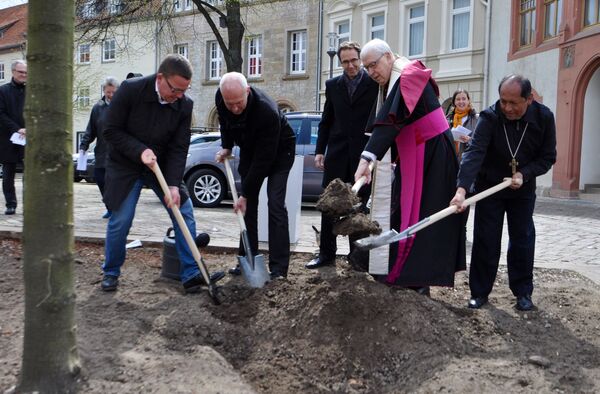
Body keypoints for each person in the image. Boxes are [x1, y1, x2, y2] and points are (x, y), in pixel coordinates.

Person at [100, 54, 223, 293]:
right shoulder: (131, 90)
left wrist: (175, 185)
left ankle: (190, 273)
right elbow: (110, 130)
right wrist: (140, 151)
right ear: (160, 78)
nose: (179, 96)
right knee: (121, 220)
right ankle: (111, 272)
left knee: (183, 210)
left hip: (163, 165)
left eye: (183, 91)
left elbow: (179, 147)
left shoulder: (184, 105)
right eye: (175, 90)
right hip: (126, 164)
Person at [354, 39, 466, 293]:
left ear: (389, 56)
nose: (371, 72)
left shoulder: (409, 74)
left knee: (422, 217)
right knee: (404, 213)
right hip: (416, 153)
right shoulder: (392, 80)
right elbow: (389, 123)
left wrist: (367, 158)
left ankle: (417, 278)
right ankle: (400, 271)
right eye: (367, 68)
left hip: (432, 155)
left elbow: (390, 124)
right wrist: (369, 158)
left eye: (373, 64)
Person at [450, 75, 557, 311]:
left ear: (528, 99)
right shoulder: (489, 117)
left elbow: (548, 157)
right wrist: (462, 190)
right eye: (503, 101)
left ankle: (523, 292)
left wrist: (525, 174)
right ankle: (479, 292)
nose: (507, 108)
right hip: (490, 187)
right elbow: (474, 153)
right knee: (486, 240)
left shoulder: (544, 118)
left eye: (513, 103)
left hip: (523, 189)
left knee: (522, 239)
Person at [215, 72, 295, 280]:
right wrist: (226, 146)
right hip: (250, 150)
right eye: (229, 103)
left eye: (238, 103)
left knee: (275, 204)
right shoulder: (223, 98)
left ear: (247, 91)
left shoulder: (265, 111)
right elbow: (225, 122)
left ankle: (278, 268)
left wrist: (245, 194)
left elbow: (263, 161)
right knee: (247, 208)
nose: (234, 108)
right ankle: (246, 259)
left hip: (279, 151)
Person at [305, 41, 378, 269]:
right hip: (336, 155)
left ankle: (356, 258)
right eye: (345, 62)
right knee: (330, 206)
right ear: (340, 63)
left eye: (354, 60)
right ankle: (326, 254)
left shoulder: (374, 84)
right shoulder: (333, 85)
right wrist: (320, 151)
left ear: (360, 59)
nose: (350, 65)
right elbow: (326, 121)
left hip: (362, 157)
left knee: (358, 206)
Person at [79, 76, 120, 219]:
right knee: (100, 179)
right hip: (102, 152)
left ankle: (116, 209)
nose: (111, 95)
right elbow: (91, 129)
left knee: (114, 183)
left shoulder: (122, 107)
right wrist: (83, 145)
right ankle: (110, 207)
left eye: (114, 92)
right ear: (104, 91)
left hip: (118, 154)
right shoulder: (98, 108)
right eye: (108, 92)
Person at [0, 60, 27, 215]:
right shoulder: (3, 91)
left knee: (28, 175)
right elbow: (1, 114)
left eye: (26, 72)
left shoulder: (32, 91)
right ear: (13, 72)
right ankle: (11, 204)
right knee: (8, 175)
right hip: (8, 139)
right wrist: (17, 129)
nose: (24, 75)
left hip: (28, 138)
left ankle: (28, 204)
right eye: (20, 72)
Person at [445, 88, 477, 159]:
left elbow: (482, 142)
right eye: (458, 99)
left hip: (469, 160)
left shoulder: (476, 119)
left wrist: (469, 140)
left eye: (464, 99)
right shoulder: (447, 119)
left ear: (468, 101)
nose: (461, 101)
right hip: (451, 160)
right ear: (454, 102)